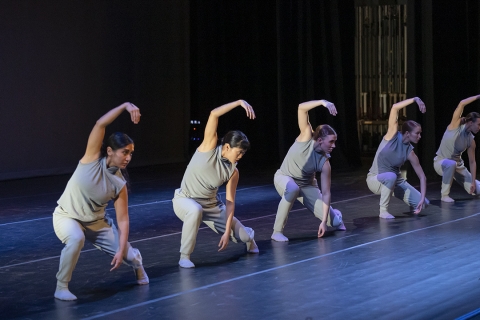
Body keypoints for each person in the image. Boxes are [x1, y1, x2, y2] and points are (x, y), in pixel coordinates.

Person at [53, 103, 148, 301]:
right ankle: (61, 287)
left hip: (96, 223)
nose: (129, 157)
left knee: (129, 256)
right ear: (110, 151)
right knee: (76, 238)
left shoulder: (119, 182)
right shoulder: (91, 159)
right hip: (67, 216)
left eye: (131, 153)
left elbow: (123, 220)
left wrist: (121, 250)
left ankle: (139, 266)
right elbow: (99, 124)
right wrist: (125, 106)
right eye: (125, 152)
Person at [172, 100, 259, 268]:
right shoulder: (209, 147)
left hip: (212, 207)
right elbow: (214, 114)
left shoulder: (233, 171)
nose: (240, 156)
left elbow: (230, 202)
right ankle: (185, 256)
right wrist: (239, 102)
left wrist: (227, 232)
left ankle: (249, 236)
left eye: (243, 153)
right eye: (239, 152)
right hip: (185, 200)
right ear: (227, 147)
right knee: (195, 210)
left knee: (244, 237)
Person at [271, 100, 345, 242]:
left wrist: (323, 221)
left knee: (334, 223)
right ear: (320, 140)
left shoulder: (325, 163)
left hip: (307, 186)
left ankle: (336, 215)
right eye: (331, 142)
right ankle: (277, 232)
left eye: (335, 142)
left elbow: (326, 192)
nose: (334, 146)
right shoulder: (306, 136)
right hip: (285, 177)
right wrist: (323, 102)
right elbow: (301, 108)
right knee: (292, 189)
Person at [366, 97, 429, 219]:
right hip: (376, 180)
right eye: (417, 133)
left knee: (424, 204)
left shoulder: (410, 152)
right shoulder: (392, 135)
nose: (420, 136)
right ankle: (383, 211)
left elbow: (422, 177)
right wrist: (415, 99)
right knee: (391, 176)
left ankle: (411, 200)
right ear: (407, 133)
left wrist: (421, 199)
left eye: (420, 133)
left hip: (395, 182)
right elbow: (395, 107)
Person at [434, 94, 480, 202]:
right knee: (451, 164)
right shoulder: (455, 125)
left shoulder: (471, 140)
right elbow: (462, 103)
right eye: (478, 124)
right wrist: (478, 97)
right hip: (441, 163)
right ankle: (444, 195)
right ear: (470, 122)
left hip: (458, 168)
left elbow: (472, 162)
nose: (479, 127)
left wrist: (473, 181)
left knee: (477, 189)